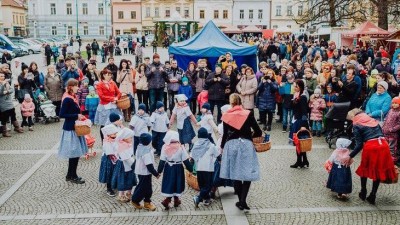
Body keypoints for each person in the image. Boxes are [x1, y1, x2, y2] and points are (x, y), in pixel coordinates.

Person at [343, 109, 397, 205]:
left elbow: (359, 145)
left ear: (353, 116)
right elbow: (381, 133)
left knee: (365, 168)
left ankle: (363, 192)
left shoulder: (356, 124)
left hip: (371, 147)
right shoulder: (373, 120)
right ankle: (373, 195)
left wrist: (350, 156)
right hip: (383, 145)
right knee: (378, 170)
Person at [220, 93, 262, 210]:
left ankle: (241, 200)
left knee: (235, 174)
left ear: (231, 103)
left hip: (231, 145)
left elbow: (224, 135)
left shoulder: (226, 115)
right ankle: (243, 200)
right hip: (246, 145)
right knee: (247, 173)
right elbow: (258, 132)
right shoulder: (248, 114)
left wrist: (222, 147)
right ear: (240, 102)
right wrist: (249, 136)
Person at [58, 79, 88, 184]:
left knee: (76, 153)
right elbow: (61, 114)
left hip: (76, 127)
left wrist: (80, 116)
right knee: (74, 154)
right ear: (71, 86)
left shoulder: (73, 97)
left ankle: (70, 175)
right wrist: (76, 115)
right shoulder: (67, 99)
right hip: (70, 129)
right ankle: (73, 176)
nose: (78, 88)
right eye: (76, 86)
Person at [157, 130, 193, 209]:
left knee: (170, 183)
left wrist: (159, 171)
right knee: (177, 183)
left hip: (168, 168)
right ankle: (170, 200)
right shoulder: (180, 147)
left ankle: (173, 200)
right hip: (178, 168)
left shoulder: (164, 147)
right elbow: (186, 160)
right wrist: (191, 169)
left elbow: (162, 160)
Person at [131, 133, 160, 211]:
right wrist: (156, 174)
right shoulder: (145, 152)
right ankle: (135, 200)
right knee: (142, 188)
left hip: (142, 171)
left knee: (146, 188)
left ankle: (147, 202)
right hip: (144, 172)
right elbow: (149, 165)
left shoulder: (140, 147)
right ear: (148, 141)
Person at [192, 127, 220, 207]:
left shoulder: (196, 145)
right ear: (207, 135)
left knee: (202, 185)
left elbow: (192, 157)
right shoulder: (211, 145)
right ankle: (198, 198)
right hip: (208, 169)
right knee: (208, 185)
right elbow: (218, 156)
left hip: (199, 169)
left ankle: (207, 199)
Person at [94, 69, 122, 140]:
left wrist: (116, 99)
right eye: (108, 75)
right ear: (103, 75)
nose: (110, 76)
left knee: (115, 123)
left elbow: (119, 93)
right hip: (104, 106)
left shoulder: (113, 83)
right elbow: (101, 96)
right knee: (104, 125)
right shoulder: (99, 84)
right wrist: (112, 99)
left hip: (113, 106)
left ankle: (114, 139)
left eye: (110, 75)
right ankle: (104, 141)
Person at [112, 128, 137, 203]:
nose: (131, 139)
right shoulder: (122, 146)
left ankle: (129, 192)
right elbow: (127, 158)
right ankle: (121, 195)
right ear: (124, 138)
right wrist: (134, 165)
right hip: (124, 166)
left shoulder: (127, 144)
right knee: (123, 179)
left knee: (130, 178)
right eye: (130, 138)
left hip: (129, 165)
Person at [289, 80, 310, 168]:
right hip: (296, 119)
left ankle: (299, 161)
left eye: (296, 86)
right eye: (294, 86)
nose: (294, 88)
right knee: (300, 142)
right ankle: (304, 160)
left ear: (300, 87)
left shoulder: (303, 97)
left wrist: (303, 125)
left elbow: (305, 112)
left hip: (301, 122)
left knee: (299, 142)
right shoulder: (296, 95)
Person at [99, 124, 120, 197]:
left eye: (116, 133)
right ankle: (109, 188)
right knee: (109, 173)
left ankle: (114, 184)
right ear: (108, 134)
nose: (116, 135)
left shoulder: (114, 139)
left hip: (115, 158)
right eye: (114, 133)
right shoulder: (107, 142)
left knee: (115, 172)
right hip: (109, 159)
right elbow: (109, 152)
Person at [0, 72, 24, 137]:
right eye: (1, 76)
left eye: (3, 76)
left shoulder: (7, 83)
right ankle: (4, 132)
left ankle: (17, 127)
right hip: (3, 103)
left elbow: (12, 90)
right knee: (4, 118)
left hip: (9, 102)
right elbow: (0, 92)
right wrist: (2, 85)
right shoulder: (3, 84)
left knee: (13, 115)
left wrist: (7, 91)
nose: (3, 77)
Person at [382, 97, 400, 164]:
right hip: (385, 132)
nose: (394, 105)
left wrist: (392, 129)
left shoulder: (399, 113)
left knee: (392, 148)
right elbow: (386, 118)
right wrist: (383, 126)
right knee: (385, 146)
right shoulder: (390, 110)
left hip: (393, 134)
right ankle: (385, 159)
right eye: (393, 103)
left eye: (396, 103)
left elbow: (399, 124)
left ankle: (392, 161)